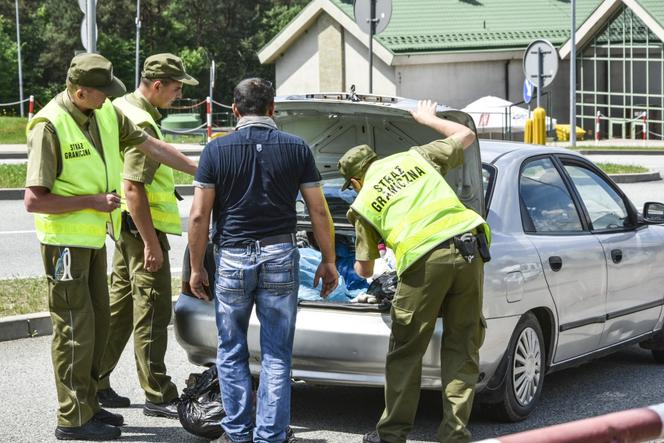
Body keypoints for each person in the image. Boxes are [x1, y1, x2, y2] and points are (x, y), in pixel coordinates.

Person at [24, 53, 197, 441]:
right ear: (79, 90)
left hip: (91, 239)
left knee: (99, 325)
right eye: (102, 93)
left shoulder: (103, 113)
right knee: (73, 330)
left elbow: (150, 145)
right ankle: (72, 418)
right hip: (63, 244)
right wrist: (92, 201)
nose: (108, 100)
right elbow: (34, 200)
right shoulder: (48, 126)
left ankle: (90, 405)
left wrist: (205, 170)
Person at [187, 77, 339, 443]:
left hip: (233, 257)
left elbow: (198, 216)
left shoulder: (216, 151)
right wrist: (328, 260)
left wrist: (196, 267)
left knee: (231, 348)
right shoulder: (297, 148)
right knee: (276, 352)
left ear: (235, 110)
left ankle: (238, 433)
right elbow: (318, 210)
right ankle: (270, 436)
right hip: (280, 254)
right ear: (273, 109)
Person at [338, 100, 490, 443]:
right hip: (470, 249)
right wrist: (428, 119)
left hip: (424, 262)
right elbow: (466, 134)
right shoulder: (415, 157)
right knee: (463, 346)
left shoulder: (362, 203)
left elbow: (364, 269)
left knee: (406, 351)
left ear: (355, 179)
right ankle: (454, 434)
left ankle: (391, 435)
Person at [95, 53, 198, 419]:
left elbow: (161, 155)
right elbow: (134, 188)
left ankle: (96, 382)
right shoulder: (143, 121)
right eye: (175, 88)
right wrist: (153, 244)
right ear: (157, 86)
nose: (178, 95)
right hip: (143, 230)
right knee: (153, 309)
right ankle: (159, 394)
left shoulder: (125, 106)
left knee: (119, 310)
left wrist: (197, 166)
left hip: (124, 226)